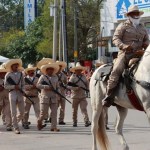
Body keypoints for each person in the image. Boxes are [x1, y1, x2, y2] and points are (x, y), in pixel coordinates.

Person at [102, 5, 149, 107]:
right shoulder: (122, 26)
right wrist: (123, 46)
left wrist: (146, 44)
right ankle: (108, 96)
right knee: (116, 71)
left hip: (139, 54)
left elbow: (146, 39)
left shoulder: (142, 27)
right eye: (134, 14)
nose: (136, 15)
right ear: (129, 15)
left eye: (137, 14)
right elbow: (115, 38)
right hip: (125, 54)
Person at [37, 62, 60, 132]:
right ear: (46, 70)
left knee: (54, 113)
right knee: (43, 113)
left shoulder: (55, 77)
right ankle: (39, 121)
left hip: (53, 97)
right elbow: (38, 85)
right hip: (45, 97)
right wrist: (46, 87)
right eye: (49, 69)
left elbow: (58, 87)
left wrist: (58, 93)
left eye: (51, 69)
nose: (50, 70)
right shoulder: (42, 77)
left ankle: (54, 127)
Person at [4, 59, 25, 134]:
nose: (16, 66)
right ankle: (16, 127)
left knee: (22, 112)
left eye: (17, 65)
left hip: (20, 94)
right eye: (14, 65)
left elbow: (23, 84)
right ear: (11, 66)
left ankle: (14, 123)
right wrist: (13, 86)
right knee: (13, 112)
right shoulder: (8, 74)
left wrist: (23, 90)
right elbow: (6, 86)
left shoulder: (21, 74)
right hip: (12, 94)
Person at [69, 63, 91, 127]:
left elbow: (87, 84)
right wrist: (75, 88)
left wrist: (87, 89)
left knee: (84, 109)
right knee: (74, 110)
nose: (78, 71)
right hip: (75, 96)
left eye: (79, 70)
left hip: (82, 96)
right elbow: (69, 86)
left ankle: (86, 121)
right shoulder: (72, 77)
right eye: (77, 70)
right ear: (75, 71)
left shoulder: (84, 77)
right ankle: (74, 121)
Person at [22, 64, 40, 129]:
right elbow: (23, 86)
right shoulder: (24, 79)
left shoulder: (37, 78)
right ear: (28, 72)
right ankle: (25, 123)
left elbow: (39, 86)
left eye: (33, 70)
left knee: (38, 111)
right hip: (27, 97)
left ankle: (39, 123)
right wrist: (32, 86)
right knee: (26, 112)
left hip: (35, 96)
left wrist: (36, 86)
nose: (32, 72)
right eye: (30, 71)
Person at [0, 64, 12, 131]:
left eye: (5, 72)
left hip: (7, 98)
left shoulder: (9, 79)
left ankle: (8, 125)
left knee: (8, 112)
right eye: (2, 72)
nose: (3, 73)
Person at [55, 61, 67, 125]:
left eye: (60, 67)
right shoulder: (54, 75)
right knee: (55, 107)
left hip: (62, 92)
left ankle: (61, 120)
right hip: (56, 93)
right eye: (58, 66)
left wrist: (65, 86)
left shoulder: (63, 75)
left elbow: (66, 83)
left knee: (62, 107)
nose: (59, 68)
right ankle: (52, 118)